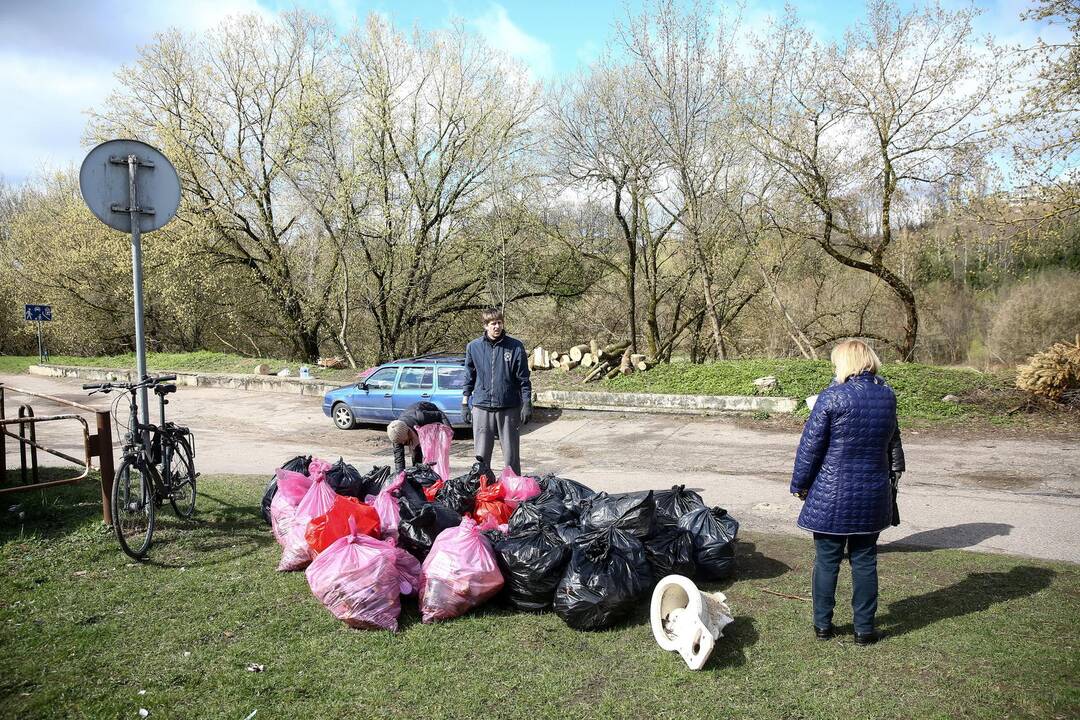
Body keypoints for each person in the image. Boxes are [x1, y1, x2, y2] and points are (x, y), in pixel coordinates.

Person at [790, 339, 905, 646]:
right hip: (873, 493)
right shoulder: (887, 396)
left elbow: (810, 448)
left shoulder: (831, 397)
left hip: (832, 493)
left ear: (844, 363)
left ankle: (823, 626)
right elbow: (894, 442)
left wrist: (800, 484)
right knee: (865, 560)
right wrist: (894, 477)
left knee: (827, 560)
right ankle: (864, 630)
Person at [461, 307, 532, 475]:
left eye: (499, 323)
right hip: (482, 407)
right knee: (481, 456)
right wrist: (465, 403)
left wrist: (527, 403)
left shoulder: (515, 347)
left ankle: (513, 489)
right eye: (493, 323)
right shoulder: (473, 347)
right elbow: (468, 378)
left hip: (508, 408)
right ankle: (484, 491)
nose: (497, 327)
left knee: (511, 457)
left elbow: (524, 379)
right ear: (485, 325)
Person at [386, 401, 452, 473]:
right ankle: (418, 474)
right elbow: (399, 458)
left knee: (432, 456)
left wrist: (449, 432)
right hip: (413, 426)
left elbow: (440, 415)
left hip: (431, 419)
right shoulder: (395, 434)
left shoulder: (421, 416)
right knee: (416, 455)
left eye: (404, 441)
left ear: (408, 433)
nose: (402, 443)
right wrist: (400, 476)